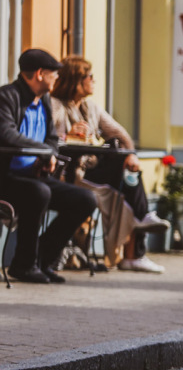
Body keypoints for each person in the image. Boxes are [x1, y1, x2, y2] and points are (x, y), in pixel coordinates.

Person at [50, 56, 168, 273]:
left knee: (126, 165)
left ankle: (138, 235)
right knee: (125, 186)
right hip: (68, 172)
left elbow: (121, 135)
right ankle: (137, 243)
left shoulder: (90, 108)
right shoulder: (55, 105)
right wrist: (68, 135)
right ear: (76, 80)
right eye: (90, 76)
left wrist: (131, 156)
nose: (94, 81)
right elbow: (49, 140)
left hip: (91, 170)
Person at [0, 49, 97, 283]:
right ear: (40, 74)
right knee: (38, 192)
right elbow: (6, 134)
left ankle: (41, 260)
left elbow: (52, 139)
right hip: (7, 178)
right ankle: (23, 266)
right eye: (54, 73)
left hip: (34, 177)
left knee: (85, 200)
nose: (57, 78)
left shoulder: (42, 99)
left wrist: (49, 154)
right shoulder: (7, 96)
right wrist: (43, 152)